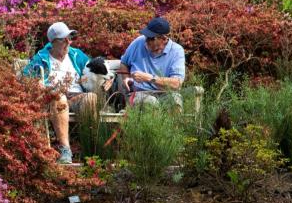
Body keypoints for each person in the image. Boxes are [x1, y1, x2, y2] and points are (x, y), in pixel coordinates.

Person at [24, 22, 98, 164]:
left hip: (77, 95)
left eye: (69, 38)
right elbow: (25, 76)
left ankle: (90, 149)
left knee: (91, 98)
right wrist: (37, 83)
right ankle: (65, 150)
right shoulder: (42, 57)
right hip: (55, 97)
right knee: (59, 97)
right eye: (64, 40)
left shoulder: (76, 55)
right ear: (53, 42)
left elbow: (95, 68)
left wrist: (96, 79)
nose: (68, 42)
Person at [116, 16, 185, 109]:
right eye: (146, 36)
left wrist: (149, 78)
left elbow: (177, 84)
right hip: (140, 93)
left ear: (163, 39)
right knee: (150, 103)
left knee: (175, 102)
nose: (147, 40)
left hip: (166, 93)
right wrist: (127, 78)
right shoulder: (138, 42)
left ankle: (174, 124)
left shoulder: (176, 51)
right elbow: (124, 63)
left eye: (151, 38)